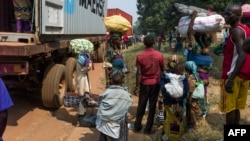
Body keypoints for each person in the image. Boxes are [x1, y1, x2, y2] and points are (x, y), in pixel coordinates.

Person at [219, 4, 250, 125]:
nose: (225, 16)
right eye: (225, 13)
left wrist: (230, 79)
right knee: (236, 108)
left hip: (233, 75)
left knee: (230, 109)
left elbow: (242, 55)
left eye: (229, 14)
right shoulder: (246, 29)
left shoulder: (237, 31)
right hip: (244, 75)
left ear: (239, 15)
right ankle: (237, 134)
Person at [133, 35, 166, 134]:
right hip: (155, 83)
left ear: (144, 44)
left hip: (144, 83)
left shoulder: (140, 56)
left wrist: (137, 86)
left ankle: (137, 127)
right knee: (152, 106)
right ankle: (148, 129)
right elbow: (163, 70)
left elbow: (138, 73)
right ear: (154, 43)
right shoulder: (159, 55)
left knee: (141, 105)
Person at [96, 72, 133, 141]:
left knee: (103, 135)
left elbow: (100, 102)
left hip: (104, 118)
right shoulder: (126, 95)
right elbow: (129, 104)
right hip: (116, 121)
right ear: (122, 82)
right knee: (116, 137)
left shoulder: (107, 91)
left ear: (112, 81)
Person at [76, 51, 93, 119]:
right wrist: (89, 66)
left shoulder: (79, 60)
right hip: (81, 81)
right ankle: (81, 115)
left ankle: (82, 112)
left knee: (84, 97)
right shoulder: (81, 63)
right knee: (82, 98)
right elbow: (85, 69)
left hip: (82, 80)